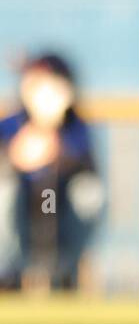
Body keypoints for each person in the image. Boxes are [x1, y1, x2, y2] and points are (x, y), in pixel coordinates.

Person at [0, 53, 104, 291]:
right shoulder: (11, 124)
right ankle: (8, 271)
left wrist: (56, 148)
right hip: (20, 215)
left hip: (60, 213)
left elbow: (88, 168)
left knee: (88, 192)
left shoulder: (75, 126)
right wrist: (15, 157)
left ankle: (66, 271)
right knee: (3, 190)